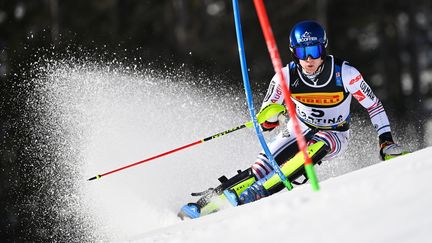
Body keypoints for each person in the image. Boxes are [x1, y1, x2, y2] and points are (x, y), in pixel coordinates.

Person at [179, 20, 407, 219]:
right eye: (302, 52)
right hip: (298, 127)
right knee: (262, 166)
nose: (309, 59)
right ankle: (204, 204)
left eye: (315, 51)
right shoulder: (285, 75)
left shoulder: (345, 74)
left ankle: (256, 193)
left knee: (318, 144)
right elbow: (267, 110)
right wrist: (270, 117)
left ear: (323, 49)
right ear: (293, 52)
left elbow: (374, 105)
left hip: (335, 133)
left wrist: (385, 141)